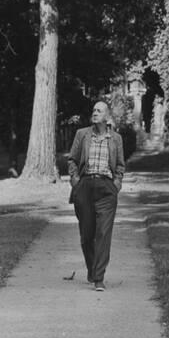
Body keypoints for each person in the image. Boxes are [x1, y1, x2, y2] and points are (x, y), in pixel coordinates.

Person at [67, 101, 125, 291]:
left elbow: (120, 166)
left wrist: (116, 183)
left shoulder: (116, 139)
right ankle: (92, 271)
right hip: (85, 187)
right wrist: (75, 182)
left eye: (99, 111)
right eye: (93, 110)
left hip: (107, 189)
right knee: (87, 235)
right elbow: (73, 160)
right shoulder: (82, 134)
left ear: (107, 117)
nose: (94, 113)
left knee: (103, 233)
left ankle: (98, 277)